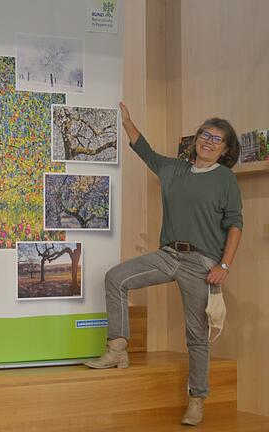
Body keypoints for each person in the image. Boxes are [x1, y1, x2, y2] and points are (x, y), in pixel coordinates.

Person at [85, 102, 243, 426]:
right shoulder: (174, 169)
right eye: (205, 135)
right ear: (196, 138)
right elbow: (145, 151)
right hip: (168, 255)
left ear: (225, 149)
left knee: (196, 336)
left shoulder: (225, 179)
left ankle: (197, 399)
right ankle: (117, 347)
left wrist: (223, 267)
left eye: (217, 139)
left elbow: (235, 225)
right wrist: (128, 123)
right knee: (115, 277)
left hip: (201, 263)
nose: (209, 142)